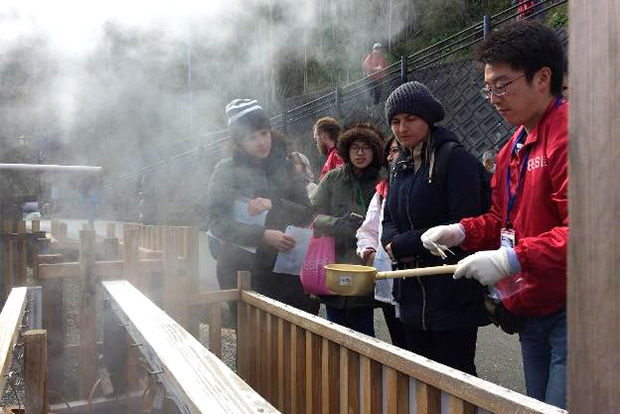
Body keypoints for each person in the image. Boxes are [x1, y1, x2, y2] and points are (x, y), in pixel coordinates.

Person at [421, 21, 568, 408]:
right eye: (488, 88)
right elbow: (502, 220)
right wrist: (458, 232)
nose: (493, 98)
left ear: (542, 78)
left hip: (576, 309)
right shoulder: (511, 148)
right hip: (530, 307)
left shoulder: (572, 134)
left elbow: (591, 233)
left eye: (502, 85)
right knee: (537, 403)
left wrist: (511, 257)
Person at [381, 81, 489, 375]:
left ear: (428, 118)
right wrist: (390, 242)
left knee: (457, 376)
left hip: (450, 288)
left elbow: (464, 221)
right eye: (395, 121)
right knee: (420, 377)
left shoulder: (455, 159)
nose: (402, 128)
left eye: (410, 119)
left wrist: (401, 246)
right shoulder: (399, 164)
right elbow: (388, 217)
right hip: (410, 291)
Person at [206, 98, 319, 316]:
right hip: (240, 271)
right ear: (238, 141)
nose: (261, 142)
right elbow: (216, 223)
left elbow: (306, 211)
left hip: (285, 268)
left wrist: (273, 204)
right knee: (253, 342)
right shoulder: (225, 171)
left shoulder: (284, 165)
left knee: (290, 338)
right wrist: (262, 235)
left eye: (264, 133)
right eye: (252, 137)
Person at [311, 123, 385, 336]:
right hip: (335, 263)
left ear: (375, 151)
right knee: (335, 330)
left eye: (366, 148)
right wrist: (336, 224)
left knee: (364, 331)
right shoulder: (333, 178)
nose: (360, 153)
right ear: (346, 150)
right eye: (355, 148)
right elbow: (313, 214)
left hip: (366, 264)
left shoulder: (383, 179)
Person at [356, 136, 406, 348]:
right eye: (392, 151)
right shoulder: (382, 191)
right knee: (400, 344)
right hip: (387, 277)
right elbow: (368, 229)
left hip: (417, 278)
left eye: (399, 151)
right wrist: (368, 253)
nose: (394, 156)